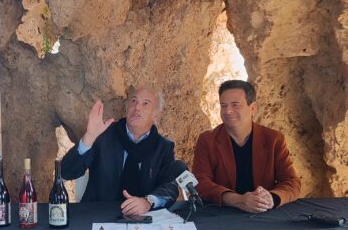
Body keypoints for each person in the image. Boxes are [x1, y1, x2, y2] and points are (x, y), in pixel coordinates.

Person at [61, 86, 179, 216]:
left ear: (156, 114)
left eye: (145, 103)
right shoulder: (103, 135)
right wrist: (88, 138)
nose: (137, 107)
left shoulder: (163, 147)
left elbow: (170, 186)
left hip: (142, 218)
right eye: (134, 101)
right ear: (127, 108)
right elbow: (66, 172)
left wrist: (148, 201)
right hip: (97, 214)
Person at [192, 80, 301, 213]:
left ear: (253, 108)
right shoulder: (207, 140)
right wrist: (238, 200)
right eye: (223, 105)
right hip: (222, 213)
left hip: (264, 213)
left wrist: (271, 198)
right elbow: (200, 183)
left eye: (235, 105)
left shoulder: (273, 139)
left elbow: (291, 182)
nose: (228, 111)